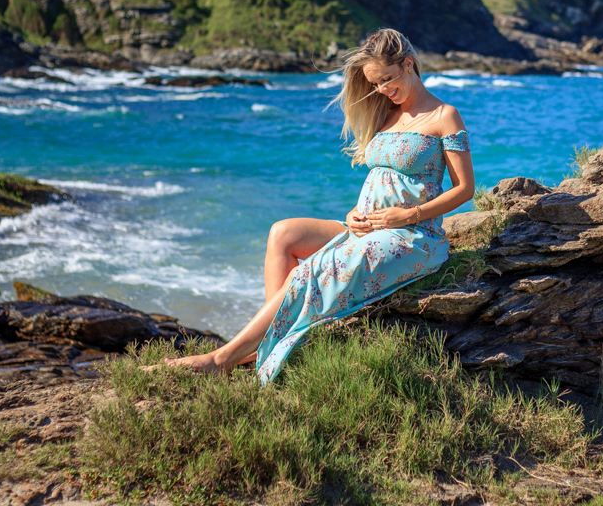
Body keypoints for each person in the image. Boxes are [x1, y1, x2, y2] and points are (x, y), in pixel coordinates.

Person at [155, 28, 474, 383]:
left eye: (386, 79)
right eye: (375, 84)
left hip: (412, 236)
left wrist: (409, 214)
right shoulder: (386, 113)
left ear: (408, 64)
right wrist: (355, 215)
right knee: (283, 233)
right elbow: (380, 180)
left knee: (307, 272)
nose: (382, 89)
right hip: (366, 228)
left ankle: (222, 357)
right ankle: (267, 340)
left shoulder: (445, 116)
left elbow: (465, 190)